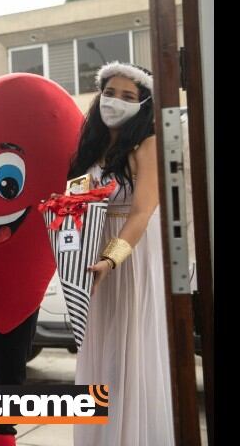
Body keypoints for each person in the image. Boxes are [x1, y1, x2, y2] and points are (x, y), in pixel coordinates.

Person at [68, 62, 175, 446]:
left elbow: (144, 209)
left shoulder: (147, 144)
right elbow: (74, 206)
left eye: (128, 97)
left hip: (129, 257)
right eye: (110, 93)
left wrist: (111, 259)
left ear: (143, 103)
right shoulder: (91, 148)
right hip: (90, 262)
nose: (115, 101)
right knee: (100, 349)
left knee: (129, 349)